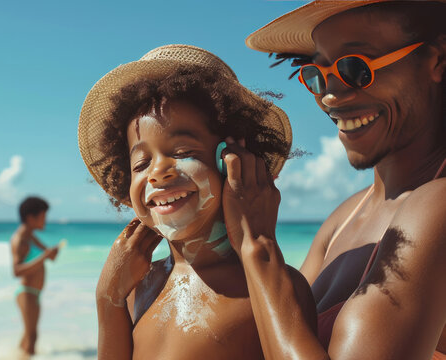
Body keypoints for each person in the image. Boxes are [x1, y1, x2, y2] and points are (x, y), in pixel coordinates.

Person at [227, 1, 446, 359]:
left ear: (437, 60)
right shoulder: (343, 217)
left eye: (356, 69)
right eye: (317, 74)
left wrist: (257, 244)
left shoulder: (438, 206)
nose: (330, 95)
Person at [78, 44, 316, 359]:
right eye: (140, 164)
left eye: (182, 152)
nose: (157, 173)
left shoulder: (269, 287)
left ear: (232, 161)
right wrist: (108, 299)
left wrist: (257, 244)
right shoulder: (138, 287)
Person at [10, 196, 59, 359]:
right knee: (32, 336)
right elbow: (16, 271)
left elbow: (48, 255)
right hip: (26, 292)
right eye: (43, 216)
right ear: (31, 218)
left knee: (29, 335)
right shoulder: (20, 239)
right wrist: (44, 257)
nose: (46, 220)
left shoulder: (30, 236)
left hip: (34, 294)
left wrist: (52, 253)